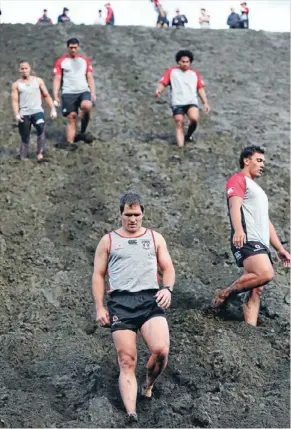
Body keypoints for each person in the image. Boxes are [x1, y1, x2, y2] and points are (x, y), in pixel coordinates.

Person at [92, 190, 175, 424]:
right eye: (128, 214)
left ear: (143, 214)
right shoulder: (108, 241)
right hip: (121, 303)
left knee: (161, 350)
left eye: (136, 214)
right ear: (121, 214)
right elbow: (98, 275)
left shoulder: (154, 238)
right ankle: (131, 414)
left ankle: (148, 385)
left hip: (150, 300)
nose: (132, 219)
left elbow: (167, 267)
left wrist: (167, 288)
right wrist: (100, 307)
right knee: (127, 360)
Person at [213, 146, 290, 326]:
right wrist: (239, 230)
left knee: (257, 289)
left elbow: (266, 221)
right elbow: (234, 206)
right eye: (259, 160)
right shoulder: (238, 180)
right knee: (265, 273)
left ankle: (250, 328)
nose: (263, 165)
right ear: (246, 160)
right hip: (247, 238)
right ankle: (225, 293)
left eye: (263, 161)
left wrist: (279, 248)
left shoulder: (259, 191)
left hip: (261, 241)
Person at [155, 50, 210, 147]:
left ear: (190, 62)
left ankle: (188, 135)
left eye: (187, 62)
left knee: (194, 119)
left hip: (191, 101)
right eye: (183, 62)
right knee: (179, 122)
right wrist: (159, 90)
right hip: (177, 102)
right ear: (178, 62)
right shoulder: (171, 72)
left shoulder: (194, 74)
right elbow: (163, 83)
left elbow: (200, 88)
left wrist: (205, 102)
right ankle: (180, 146)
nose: (185, 64)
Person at [53, 38, 96, 149]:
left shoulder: (84, 60)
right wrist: (56, 95)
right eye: (71, 48)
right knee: (72, 117)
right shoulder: (61, 61)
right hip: (68, 92)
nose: (73, 50)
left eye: (75, 47)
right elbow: (57, 78)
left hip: (83, 90)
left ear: (78, 47)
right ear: (67, 48)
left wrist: (93, 92)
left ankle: (82, 131)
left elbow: (89, 77)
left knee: (86, 106)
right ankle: (70, 143)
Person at [11, 61, 57, 162]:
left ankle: (39, 153)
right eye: (22, 69)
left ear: (30, 69)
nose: (24, 70)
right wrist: (17, 114)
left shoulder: (38, 81)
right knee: (25, 134)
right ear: (19, 70)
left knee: (41, 128)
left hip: (37, 111)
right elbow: (14, 100)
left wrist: (53, 109)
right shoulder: (16, 85)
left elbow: (46, 95)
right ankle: (23, 156)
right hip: (24, 113)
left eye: (26, 68)